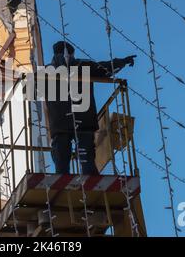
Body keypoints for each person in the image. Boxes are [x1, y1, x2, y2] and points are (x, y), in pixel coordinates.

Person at [45, 41, 136, 175]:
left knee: (61, 156)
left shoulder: (46, 71)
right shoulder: (82, 66)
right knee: (86, 153)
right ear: (72, 53)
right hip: (83, 119)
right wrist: (122, 62)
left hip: (60, 122)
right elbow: (105, 69)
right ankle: (90, 175)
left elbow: (30, 91)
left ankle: (61, 177)